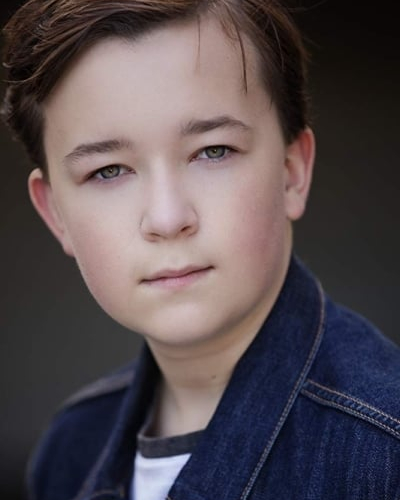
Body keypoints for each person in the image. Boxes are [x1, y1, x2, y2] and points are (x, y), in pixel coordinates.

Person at [2, 0, 400, 499]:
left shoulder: (383, 453)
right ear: (55, 213)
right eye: (108, 171)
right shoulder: (70, 450)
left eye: (213, 151)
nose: (168, 219)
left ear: (291, 173)